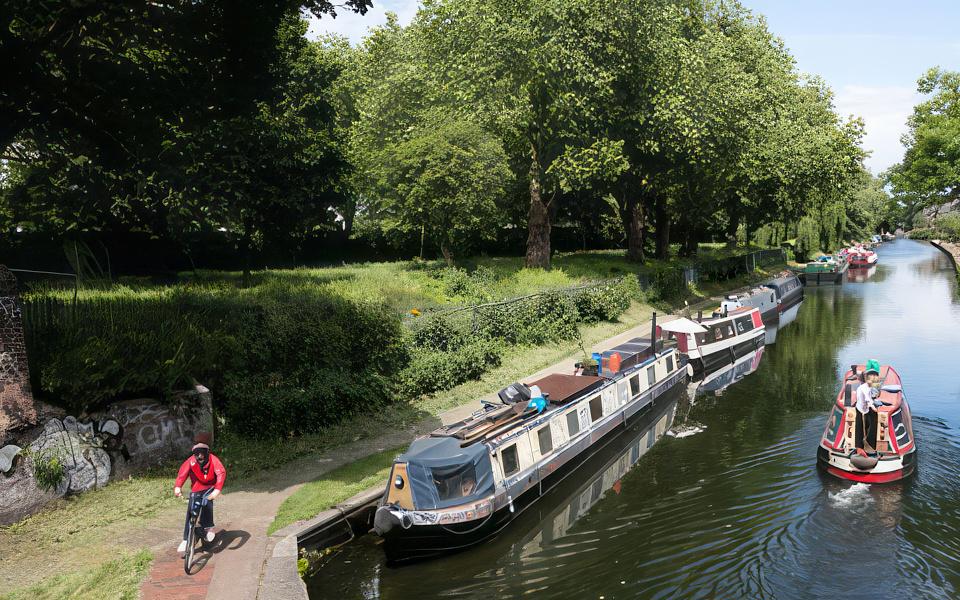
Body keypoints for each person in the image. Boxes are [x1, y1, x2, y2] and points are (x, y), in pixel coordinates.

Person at [174, 441, 226, 554]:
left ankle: (208, 527)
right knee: (191, 509)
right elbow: (182, 473)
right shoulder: (191, 461)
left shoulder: (213, 460)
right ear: (194, 454)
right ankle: (186, 539)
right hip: (197, 488)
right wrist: (178, 486)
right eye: (197, 453)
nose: (200, 456)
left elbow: (221, 473)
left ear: (207, 453)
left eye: (203, 453)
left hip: (210, 487)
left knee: (207, 501)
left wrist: (217, 490)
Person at [854, 360, 881, 456]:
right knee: (860, 426)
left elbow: (873, 395)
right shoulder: (864, 388)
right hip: (861, 409)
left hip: (865, 408)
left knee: (870, 422)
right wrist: (874, 408)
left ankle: (870, 445)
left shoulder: (868, 386)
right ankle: (860, 448)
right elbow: (869, 400)